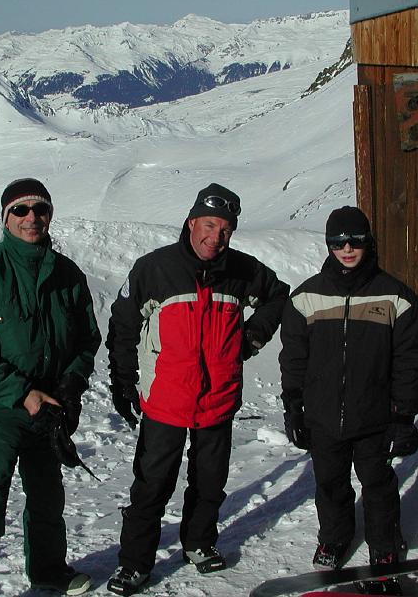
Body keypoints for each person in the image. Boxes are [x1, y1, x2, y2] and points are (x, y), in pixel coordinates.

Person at [105, 183, 289, 595]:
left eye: (225, 229)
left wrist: (251, 337)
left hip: (218, 400)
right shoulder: (156, 269)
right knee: (151, 487)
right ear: (191, 223)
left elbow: (278, 297)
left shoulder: (242, 271)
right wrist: (123, 379)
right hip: (166, 401)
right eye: (209, 225)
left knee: (209, 482)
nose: (215, 236)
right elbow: (122, 325)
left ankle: (199, 543)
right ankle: (135, 564)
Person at [0, 178, 101, 597]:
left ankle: (48, 571)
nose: (32, 218)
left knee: (47, 499)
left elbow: (86, 339)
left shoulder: (67, 275)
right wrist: (21, 393)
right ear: (5, 218)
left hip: (48, 411)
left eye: (40, 209)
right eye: (21, 210)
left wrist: (71, 383)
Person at [279, 205, 418, 585]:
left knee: (377, 483)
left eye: (355, 240)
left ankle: (384, 542)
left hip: (374, 415)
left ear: (368, 241)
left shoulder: (396, 297)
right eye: (338, 242)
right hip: (323, 414)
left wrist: (404, 415)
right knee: (329, 483)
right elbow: (294, 358)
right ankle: (334, 538)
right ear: (329, 245)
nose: (347, 249)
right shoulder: (306, 298)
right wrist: (294, 407)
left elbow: (411, 361)